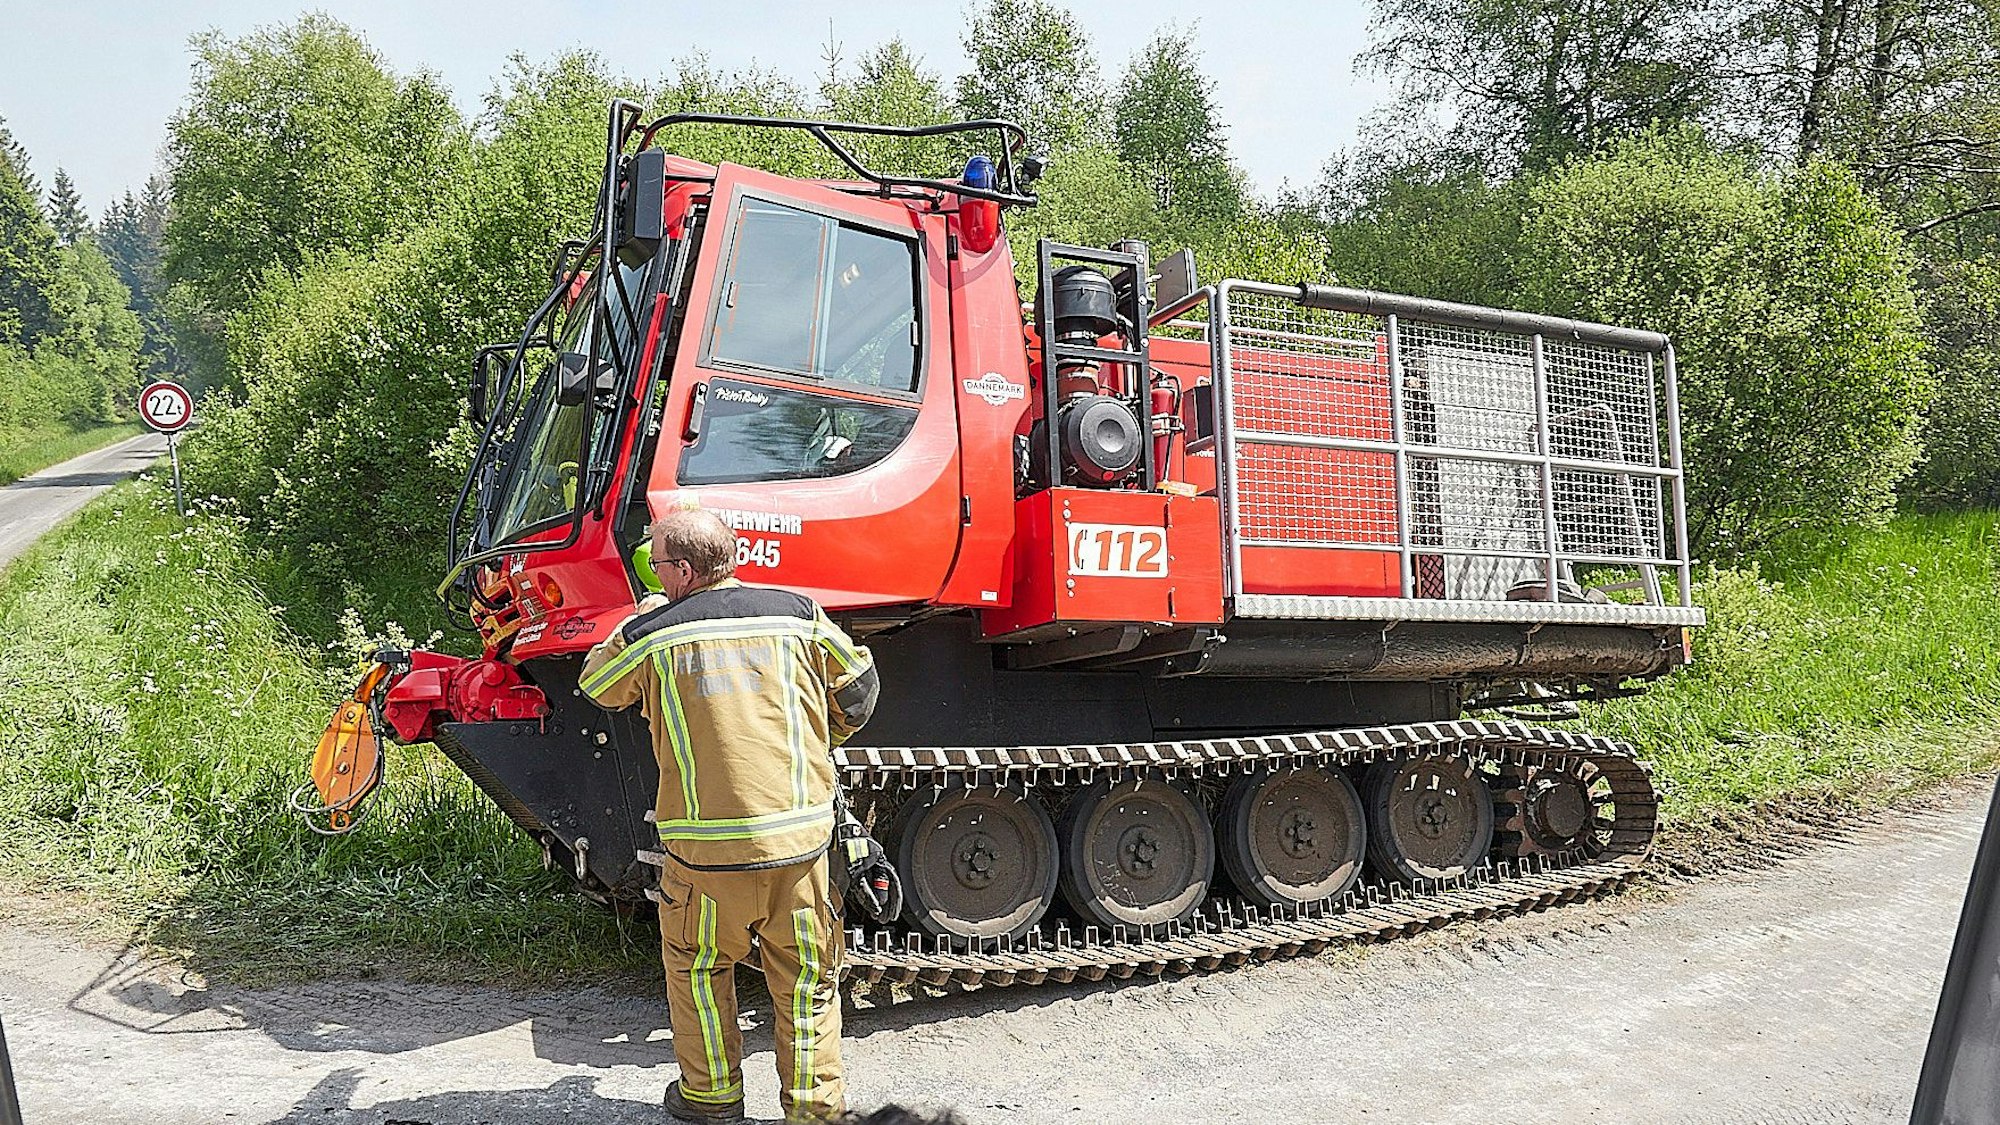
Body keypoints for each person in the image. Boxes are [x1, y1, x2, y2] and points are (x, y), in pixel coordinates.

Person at [580, 508, 879, 1124]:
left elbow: (597, 685)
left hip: (704, 860)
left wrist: (637, 618)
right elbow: (859, 689)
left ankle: (712, 1100)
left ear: (683, 571)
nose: (655, 572)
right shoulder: (798, 614)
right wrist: (822, 738)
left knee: (699, 972)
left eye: (657, 563)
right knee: (807, 983)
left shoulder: (653, 635)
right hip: (799, 848)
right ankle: (815, 1112)